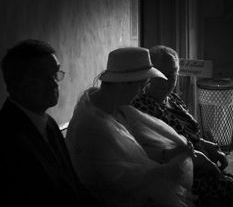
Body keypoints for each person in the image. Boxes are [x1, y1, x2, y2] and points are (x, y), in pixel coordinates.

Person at [66, 46, 203, 207]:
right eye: (140, 86)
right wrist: (167, 171)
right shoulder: (92, 126)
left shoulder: (114, 107)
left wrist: (169, 153)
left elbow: (135, 152)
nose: (141, 93)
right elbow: (117, 179)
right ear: (124, 84)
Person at [132, 45, 233, 207]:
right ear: (148, 75)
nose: (166, 81)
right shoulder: (142, 106)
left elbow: (187, 133)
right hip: (178, 174)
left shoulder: (172, 99)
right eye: (160, 75)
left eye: (172, 75)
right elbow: (158, 149)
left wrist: (205, 144)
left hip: (197, 164)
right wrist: (199, 156)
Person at [0, 39, 100, 206]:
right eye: (42, 76)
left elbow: (73, 185)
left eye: (55, 74)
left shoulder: (48, 122)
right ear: (16, 82)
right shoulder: (7, 137)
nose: (54, 83)